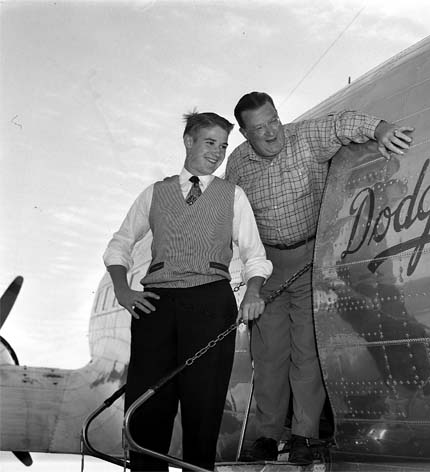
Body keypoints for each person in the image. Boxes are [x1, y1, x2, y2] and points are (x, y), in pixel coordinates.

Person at [225, 91, 414, 464]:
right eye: (259, 128)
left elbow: (342, 124)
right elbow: (233, 220)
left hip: (311, 258)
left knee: (307, 352)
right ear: (246, 135)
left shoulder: (304, 137)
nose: (271, 132)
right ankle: (267, 435)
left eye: (273, 120)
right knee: (269, 356)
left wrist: (381, 129)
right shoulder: (238, 165)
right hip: (267, 266)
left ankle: (304, 435)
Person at [103, 111, 273, 471]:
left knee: (204, 409)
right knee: (149, 411)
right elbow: (118, 245)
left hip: (210, 304)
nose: (217, 153)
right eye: (210, 143)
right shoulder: (155, 192)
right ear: (189, 141)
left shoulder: (232, 195)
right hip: (155, 307)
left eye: (223, 146)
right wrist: (123, 290)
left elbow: (255, 255)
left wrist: (253, 291)